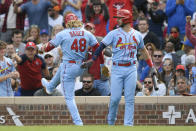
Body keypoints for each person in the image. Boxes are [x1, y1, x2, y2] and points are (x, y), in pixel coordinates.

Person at [83, 9, 156, 126]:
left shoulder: (137, 34)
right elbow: (100, 47)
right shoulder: (114, 33)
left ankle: (128, 125)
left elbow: (144, 50)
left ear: (126, 19)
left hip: (131, 68)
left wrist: (151, 66)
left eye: (120, 18)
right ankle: (111, 123)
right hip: (117, 68)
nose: (117, 20)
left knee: (130, 99)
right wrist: (93, 59)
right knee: (115, 98)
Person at [41, 13, 99, 126]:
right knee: (62, 65)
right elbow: (97, 48)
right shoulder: (87, 33)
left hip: (69, 66)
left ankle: (78, 123)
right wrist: (91, 54)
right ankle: (51, 86)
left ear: (66, 22)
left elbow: (48, 47)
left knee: (69, 97)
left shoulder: (63, 33)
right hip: (81, 66)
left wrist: (43, 47)